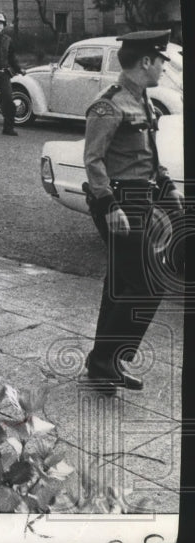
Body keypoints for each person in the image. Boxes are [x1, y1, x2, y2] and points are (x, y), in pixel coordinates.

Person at [82, 30, 183, 394]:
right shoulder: (109, 104)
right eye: (160, 61)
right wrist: (108, 205)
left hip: (143, 198)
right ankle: (108, 359)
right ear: (145, 62)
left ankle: (103, 364)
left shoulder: (144, 101)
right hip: (119, 203)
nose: (162, 68)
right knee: (149, 282)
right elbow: (92, 160)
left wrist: (170, 194)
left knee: (121, 285)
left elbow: (149, 159)